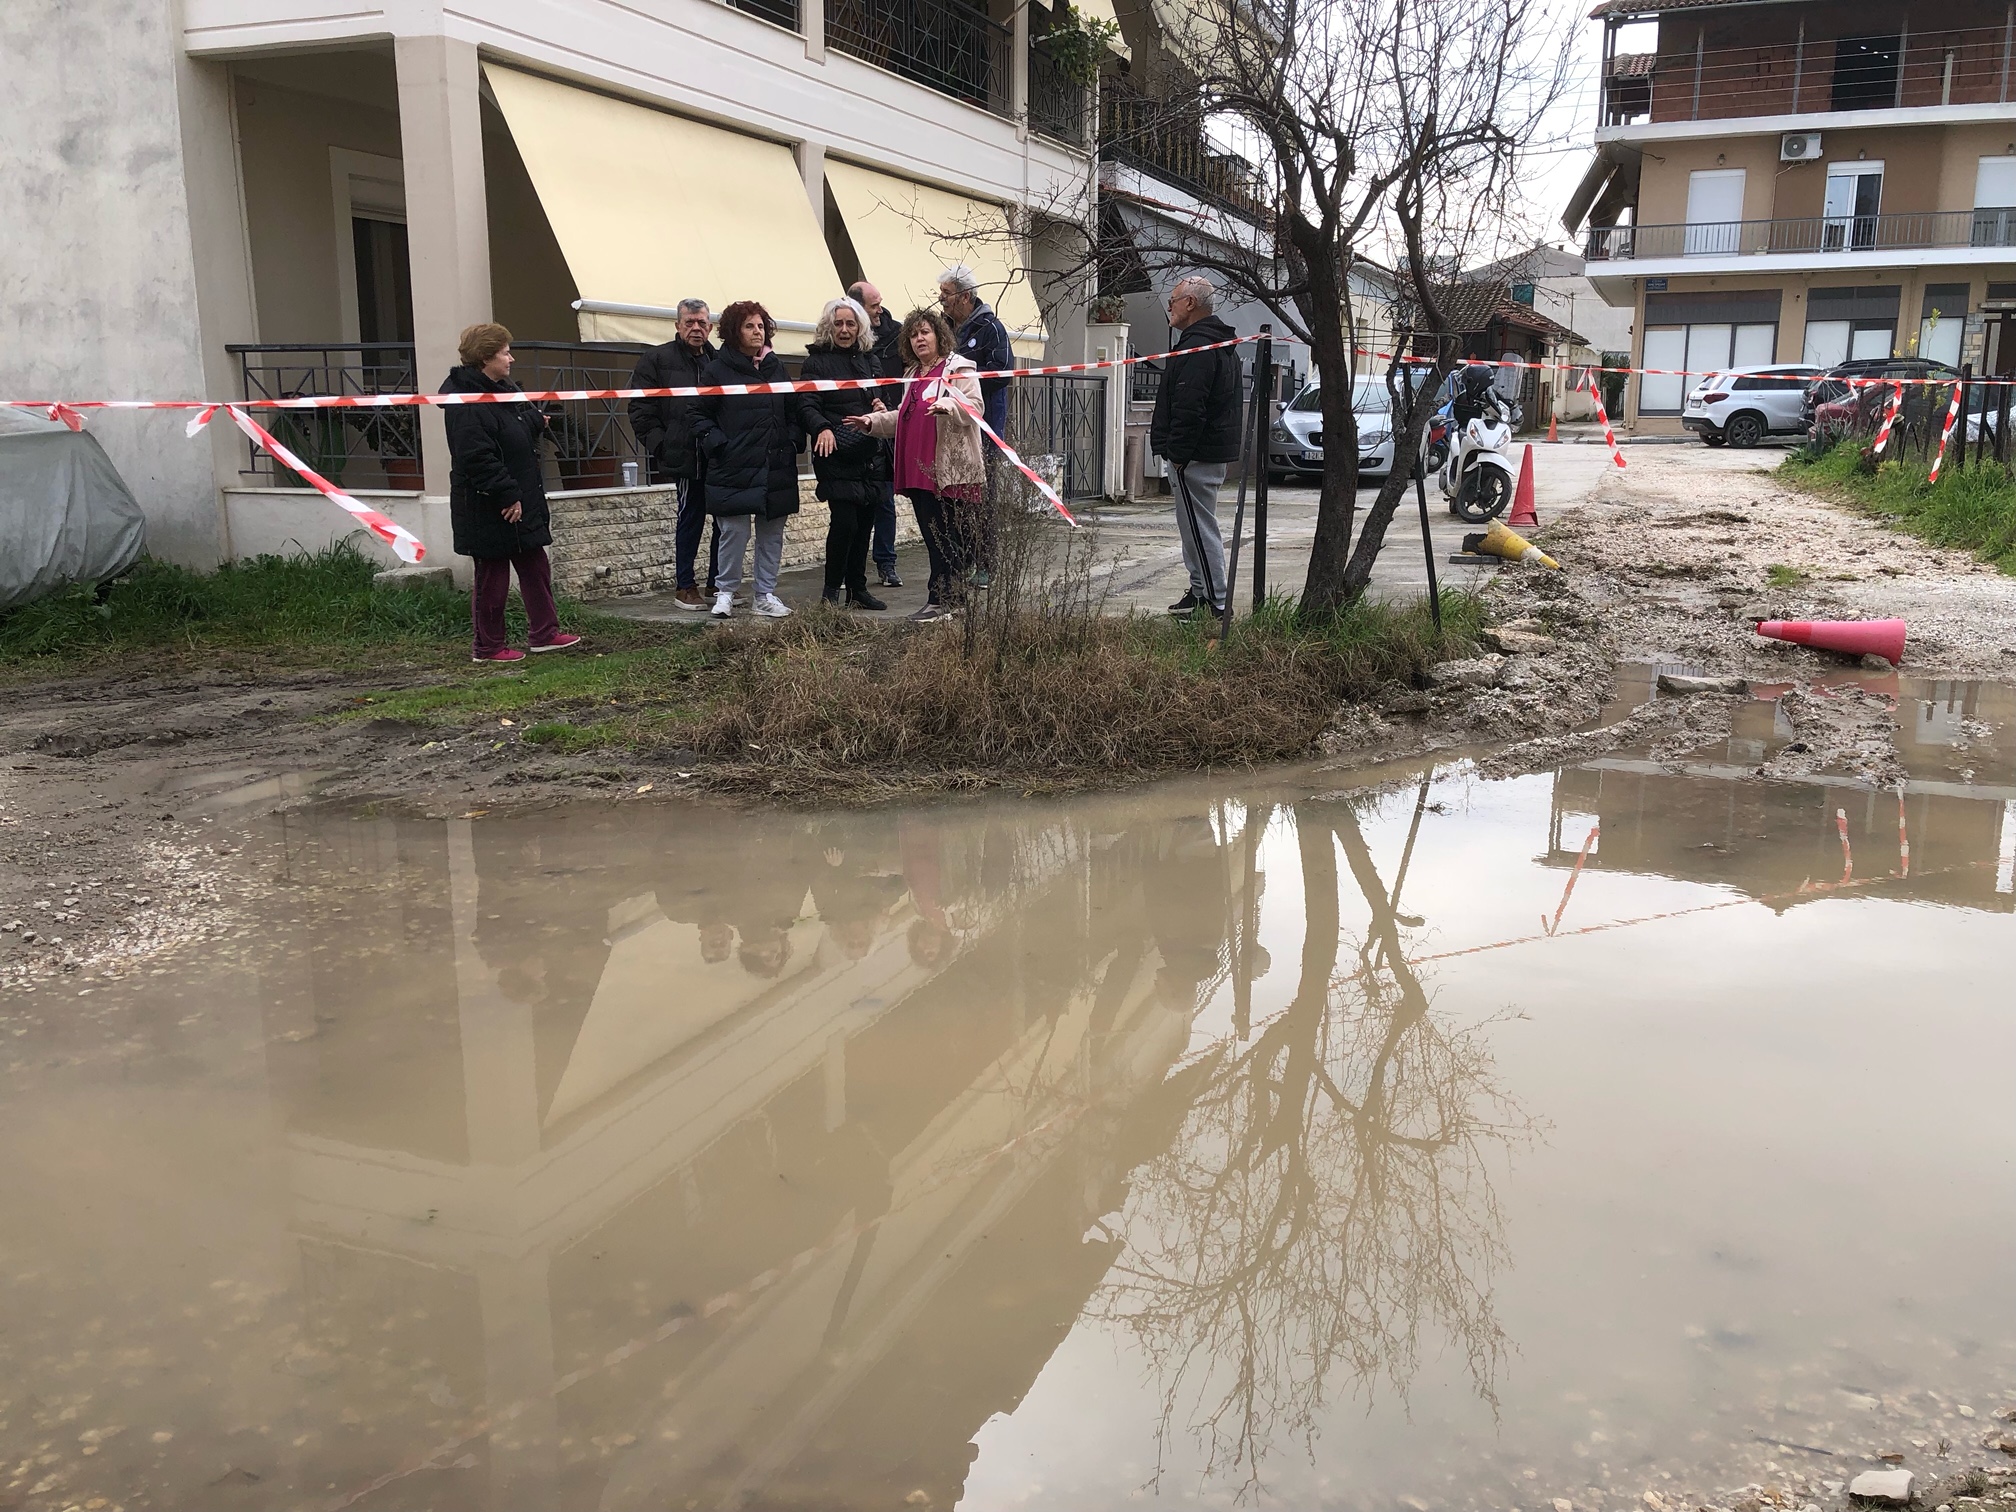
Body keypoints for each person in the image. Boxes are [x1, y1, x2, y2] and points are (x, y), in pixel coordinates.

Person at [442, 322, 584, 663]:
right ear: (487, 357)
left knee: (535, 566)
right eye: (505, 353)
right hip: (488, 505)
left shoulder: (501, 390)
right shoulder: (467, 403)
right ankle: (488, 646)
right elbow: (477, 456)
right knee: (492, 576)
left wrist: (536, 421)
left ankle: (545, 632)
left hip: (523, 498)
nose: (511, 359)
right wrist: (507, 495)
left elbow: (513, 428)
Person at [846, 308, 983, 623]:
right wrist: (872, 421)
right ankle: (945, 602)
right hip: (919, 469)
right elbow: (904, 418)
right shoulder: (913, 375)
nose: (919, 339)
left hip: (950, 470)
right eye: (913, 334)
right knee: (933, 537)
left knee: (948, 537)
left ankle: (947, 602)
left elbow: (975, 406)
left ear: (938, 335)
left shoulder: (958, 368)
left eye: (925, 332)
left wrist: (949, 404)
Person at [693, 301, 802, 619]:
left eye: (761, 326)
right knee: (734, 531)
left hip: (775, 464)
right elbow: (698, 415)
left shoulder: (775, 366)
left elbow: (793, 408)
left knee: (772, 532)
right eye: (750, 326)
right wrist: (718, 444)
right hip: (733, 465)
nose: (758, 332)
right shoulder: (717, 369)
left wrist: (792, 439)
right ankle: (724, 592)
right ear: (733, 331)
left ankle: (764, 594)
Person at [1148, 275, 1243, 619]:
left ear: (1190, 303)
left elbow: (1191, 406)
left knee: (1200, 527)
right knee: (1193, 526)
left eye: (1172, 301)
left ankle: (1217, 602)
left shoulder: (1200, 347)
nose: (1168, 308)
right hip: (1198, 453)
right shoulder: (1206, 342)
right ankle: (1201, 592)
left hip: (1196, 456)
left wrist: (1178, 454)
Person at [798, 297, 891, 610]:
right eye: (838, 323)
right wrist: (821, 427)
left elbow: (880, 398)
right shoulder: (816, 363)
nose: (844, 329)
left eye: (850, 323)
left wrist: (879, 406)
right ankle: (830, 593)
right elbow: (807, 404)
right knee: (845, 523)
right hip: (835, 450)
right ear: (828, 326)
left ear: (859, 327)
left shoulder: (870, 360)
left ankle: (857, 590)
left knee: (865, 524)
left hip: (868, 451)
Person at [626, 298, 717, 611]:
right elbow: (639, 408)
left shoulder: (717, 363)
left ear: (711, 327)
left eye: (701, 323)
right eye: (689, 322)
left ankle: (716, 583)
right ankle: (685, 585)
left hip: (717, 456)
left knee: (724, 520)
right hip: (683, 457)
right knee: (689, 519)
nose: (696, 328)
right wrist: (662, 445)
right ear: (678, 326)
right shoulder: (656, 359)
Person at [938, 266, 1013, 588]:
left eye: (946, 294)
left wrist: (962, 385)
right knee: (951, 499)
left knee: (980, 498)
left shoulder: (990, 328)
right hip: (946, 425)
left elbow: (1001, 372)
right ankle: (958, 562)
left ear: (965, 296)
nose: (941, 300)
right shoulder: (942, 328)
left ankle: (984, 563)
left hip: (983, 426)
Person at [847, 279, 906, 588]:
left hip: (887, 425)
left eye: (880, 302)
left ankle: (886, 563)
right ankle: (848, 567)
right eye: (873, 305)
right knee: (851, 504)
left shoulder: (897, 335)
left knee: (884, 500)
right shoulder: (842, 337)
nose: (880, 309)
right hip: (851, 427)